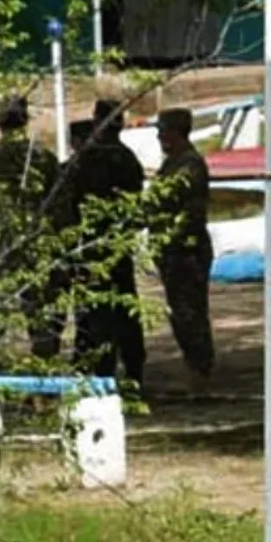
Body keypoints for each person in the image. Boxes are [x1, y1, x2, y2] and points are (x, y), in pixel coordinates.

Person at [0, 95, 63, 359]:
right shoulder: (44, 158)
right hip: (39, 248)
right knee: (43, 319)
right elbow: (61, 209)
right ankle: (45, 369)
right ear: (25, 120)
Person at [69, 103, 146, 388]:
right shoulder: (129, 160)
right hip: (119, 247)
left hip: (90, 248)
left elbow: (68, 207)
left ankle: (102, 375)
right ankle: (134, 372)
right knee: (126, 311)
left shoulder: (85, 162)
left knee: (96, 316)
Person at [152, 108, 214, 392]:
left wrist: (170, 238)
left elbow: (187, 213)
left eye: (163, 131)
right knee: (180, 311)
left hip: (186, 250)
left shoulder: (188, 165)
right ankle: (195, 366)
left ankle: (199, 370)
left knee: (190, 313)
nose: (159, 137)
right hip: (174, 249)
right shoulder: (173, 163)